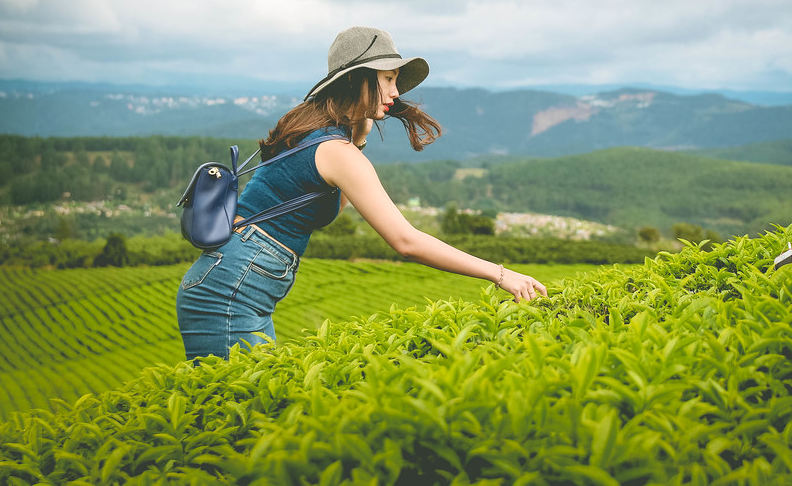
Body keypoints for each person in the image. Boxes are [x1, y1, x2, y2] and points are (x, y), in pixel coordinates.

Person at [176, 26, 548, 360]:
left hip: (233, 284)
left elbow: (327, 210)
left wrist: (360, 136)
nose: (396, 92)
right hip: (229, 293)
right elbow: (406, 241)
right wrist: (500, 275)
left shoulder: (316, 133)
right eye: (387, 79)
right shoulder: (337, 153)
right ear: (357, 81)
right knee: (245, 423)